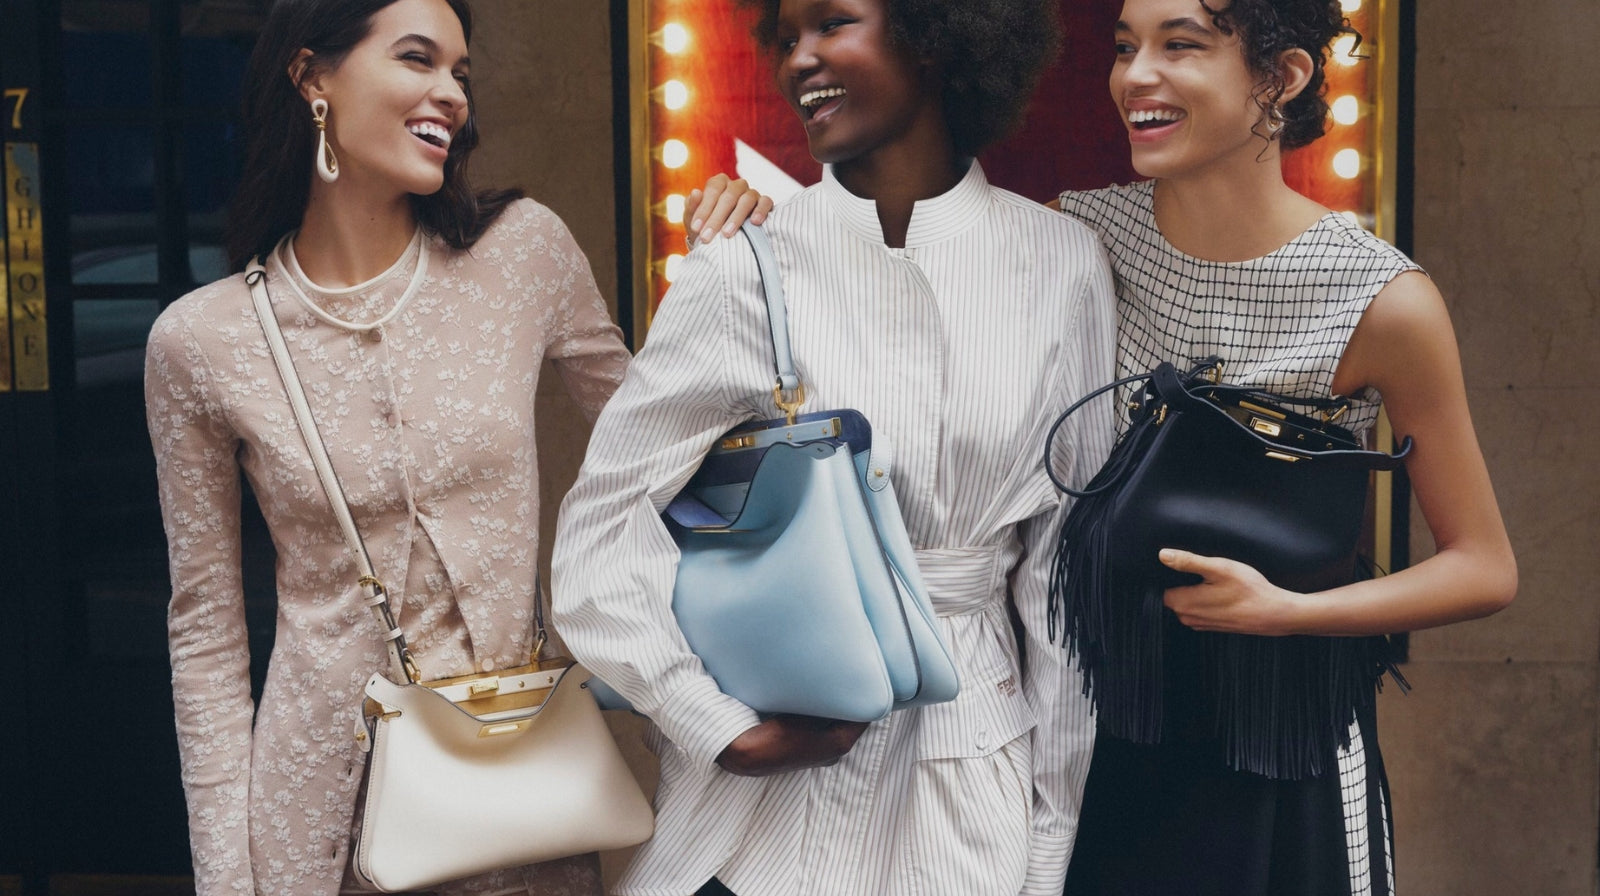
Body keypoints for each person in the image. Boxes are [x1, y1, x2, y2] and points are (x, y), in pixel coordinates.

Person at [700, 0, 1517, 892]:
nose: (1136, 76)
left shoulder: (1383, 300)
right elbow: (896, 311)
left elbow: (1483, 566)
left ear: (1281, 78)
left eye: (1181, 46)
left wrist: (1289, 611)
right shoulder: (1078, 237)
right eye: (1125, 47)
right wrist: (761, 222)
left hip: (1285, 761)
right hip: (1100, 748)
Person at [550, 0, 1116, 894]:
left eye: (833, 23)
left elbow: (1062, 586)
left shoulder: (1062, 264)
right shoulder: (747, 264)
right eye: (785, 37)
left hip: (969, 789)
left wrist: (1050, 841)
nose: (797, 59)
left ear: (937, 37)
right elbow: (604, 529)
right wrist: (714, 725)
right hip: (770, 798)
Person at [143, 0, 630, 893]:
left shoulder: (523, 253)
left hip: (520, 805)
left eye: (461, 74)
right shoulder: (201, 341)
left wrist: (730, 276)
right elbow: (206, 634)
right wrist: (226, 879)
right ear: (311, 77)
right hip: (315, 831)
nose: (449, 93)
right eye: (417, 60)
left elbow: (657, 455)